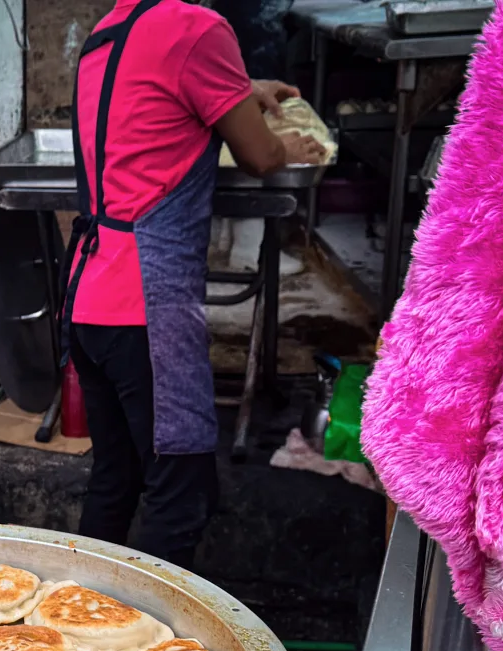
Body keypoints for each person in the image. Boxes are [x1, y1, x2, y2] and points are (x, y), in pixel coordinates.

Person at [61, 0, 321, 569]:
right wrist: (289, 147)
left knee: (116, 479)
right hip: (146, 309)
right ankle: (151, 650)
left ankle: (81, 625)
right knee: (182, 499)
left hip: (88, 296)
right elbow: (258, 153)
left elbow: (159, 92)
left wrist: (244, 88)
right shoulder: (198, 30)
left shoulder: (106, 34)